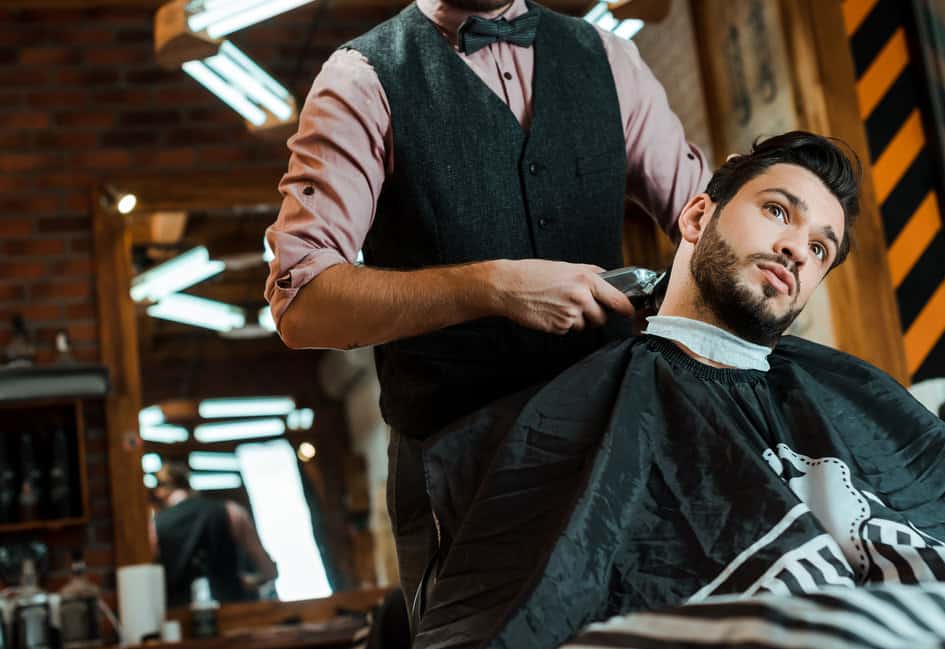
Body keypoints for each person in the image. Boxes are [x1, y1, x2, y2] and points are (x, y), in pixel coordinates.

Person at [406, 131, 945, 649]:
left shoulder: (848, 390)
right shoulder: (590, 406)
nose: (797, 248)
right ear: (695, 216)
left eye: (820, 249)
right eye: (776, 211)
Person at [264, 0, 710, 610]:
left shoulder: (609, 58)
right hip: (459, 475)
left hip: (612, 452)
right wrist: (491, 287)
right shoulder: (361, 80)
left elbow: (703, 232)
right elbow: (303, 301)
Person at [149, 463, 278, 607]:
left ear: (160, 492)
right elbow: (268, 571)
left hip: (182, 619)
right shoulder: (231, 511)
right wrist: (250, 581)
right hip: (233, 612)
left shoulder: (154, 527)